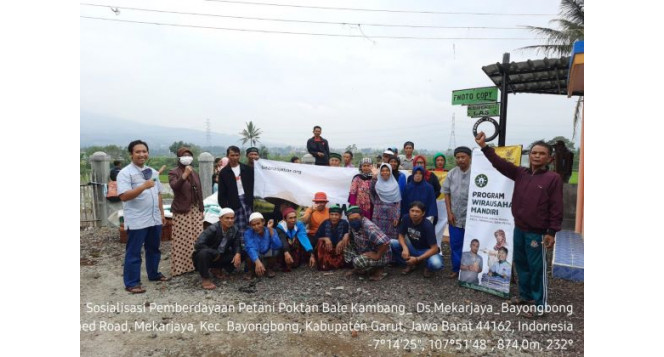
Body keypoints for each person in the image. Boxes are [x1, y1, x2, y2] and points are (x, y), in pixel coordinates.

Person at [476, 132, 563, 316]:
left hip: (538, 233)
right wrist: (484, 147)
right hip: (520, 229)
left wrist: (551, 232)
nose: (537, 156)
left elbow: (556, 208)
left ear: (549, 158)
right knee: (521, 265)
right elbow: (500, 164)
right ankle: (526, 296)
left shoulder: (553, 178)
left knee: (537, 269)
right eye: (534, 153)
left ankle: (540, 306)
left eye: (541, 153)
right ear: (529, 155)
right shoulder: (521, 173)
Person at [117, 140, 169, 294]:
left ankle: (153, 274)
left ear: (148, 153)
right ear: (131, 154)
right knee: (134, 252)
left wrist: (161, 213)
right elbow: (124, 196)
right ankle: (132, 282)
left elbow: (158, 193)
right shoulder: (125, 173)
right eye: (137, 152)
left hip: (154, 218)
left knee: (154, 248)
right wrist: (142, 187)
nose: (141, 154)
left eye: (144, 151)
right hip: (137, 219)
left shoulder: (153, 172)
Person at [168, 147, 204, 277]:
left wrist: (201, 208)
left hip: (194, 209)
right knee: (183, 238)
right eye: (184, 155)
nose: (187, 157)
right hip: (182, 209)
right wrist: (184, 176)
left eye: (189, 155)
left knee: (197, 237)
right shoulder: (174, 172)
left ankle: (196, 264)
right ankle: (182, 267)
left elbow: (199, 191)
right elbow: (175, 187)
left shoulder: (195, 172)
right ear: (179, 157)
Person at [192, 208, 243, 290]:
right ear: (220, 219)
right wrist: (214, 252)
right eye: (227, 218)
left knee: (243, 252)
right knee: (203, 253)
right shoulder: (212, 229)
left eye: (232, 218)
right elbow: (198, 244)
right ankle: (205, 278)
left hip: (221, 255)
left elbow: (237, 244)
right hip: (210, 256)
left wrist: (237, 253)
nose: (230, 220)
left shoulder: (235, 229)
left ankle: (216, 269)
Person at [442, 146, 472, 279]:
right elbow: (446, 193)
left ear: (470, 158)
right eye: (458, 157)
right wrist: (449, 212)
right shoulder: (452, 173)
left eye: (463, 157)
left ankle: (470, 270)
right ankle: (456, 269)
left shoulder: (477, 173)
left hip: (472, 217)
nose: (460, 160)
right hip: (455, 216)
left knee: (472, 244)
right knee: (456, 243)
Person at [390, 201, 443, 278]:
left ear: (423, 213)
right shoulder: (406, 218)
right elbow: (400, 235)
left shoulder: (427, 225)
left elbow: (434, 249)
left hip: (426, 250)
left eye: (417, 211)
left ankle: (427, 267)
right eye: (412, 211)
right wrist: (405, 248)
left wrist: (417, 259)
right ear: (409, 211)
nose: (414, 214)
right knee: (391, 243)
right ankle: (410, 264)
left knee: (436, 264)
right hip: (412, 246)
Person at [344, 206, 392, 281]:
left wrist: (377, 255)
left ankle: (380, 268)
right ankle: (364, 269)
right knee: (345, 245)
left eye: (356, 218)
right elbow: (351, 234)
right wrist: (346, 235)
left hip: (381, 254)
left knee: (358, 262)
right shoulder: (351, 224)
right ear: (348, 219)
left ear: (362, 216)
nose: (354, 221)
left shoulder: (369, 227)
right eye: (351, 219)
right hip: (365, 250)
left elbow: (386, 242)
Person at [218, 146, 254, 237]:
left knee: (250, 225)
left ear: (240, 156)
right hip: (233, 202)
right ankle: (238, 248)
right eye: (232, 155)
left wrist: (251, 200)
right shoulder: (224, 172)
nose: (234, 158)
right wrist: (226, 208)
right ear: (227, 156)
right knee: (236, 228)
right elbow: (221, 193)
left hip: (247, 201)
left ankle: (249, 247)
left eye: (236, 155)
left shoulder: (247, 170)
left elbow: (253, 186)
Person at [244, 212, 283, 278]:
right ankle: (251, 271)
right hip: (256, 255)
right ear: (250, 226)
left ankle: (269, 269)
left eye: (258, 223)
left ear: (263, 222)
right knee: (247, 252)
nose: (256, 227)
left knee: (276, 251)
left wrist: (270, 229)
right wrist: (257, 261)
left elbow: (278, 245)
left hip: (267, 255)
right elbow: (250, 247)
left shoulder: (271, 230)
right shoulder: (248, 233)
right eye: (253, 225)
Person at [276, 207, 316, 271]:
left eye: (295, 217)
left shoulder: (299, 225)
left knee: (298, 239)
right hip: (284, 248)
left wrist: (311, 253)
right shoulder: (280, 227)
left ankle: (298, 260)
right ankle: (281, 263)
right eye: (290, 218)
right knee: (282, 241)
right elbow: (282, 240)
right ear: (284, 219)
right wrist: (286, 252)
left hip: (294, 247)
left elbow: (304, 238)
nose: (293, 220)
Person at [370, 163, 401, 240]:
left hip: (391, 216)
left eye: (387, 170)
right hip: (378, 216)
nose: (385, 172)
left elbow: (398, 202)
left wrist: (397, 217)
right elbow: (371, 192)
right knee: (378, 237)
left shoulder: (395, 185)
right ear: (380, 172)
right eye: (382, 171)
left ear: (390, 172)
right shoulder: (376, 183)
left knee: (391, 240)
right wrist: (374, 177)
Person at [314, 205, 350, 270]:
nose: (334, 217)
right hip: (328, 250)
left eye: (336, 215)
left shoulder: (345, 223)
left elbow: (350, 234)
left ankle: (341, 263)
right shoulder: (325, 223)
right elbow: (316, 238)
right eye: (331, 214)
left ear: (340, 216)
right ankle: (325, 263)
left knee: (347, 240)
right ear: (329, 215)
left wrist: (343, 239)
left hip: (339, 250)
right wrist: (325, 238)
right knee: (320, 242)